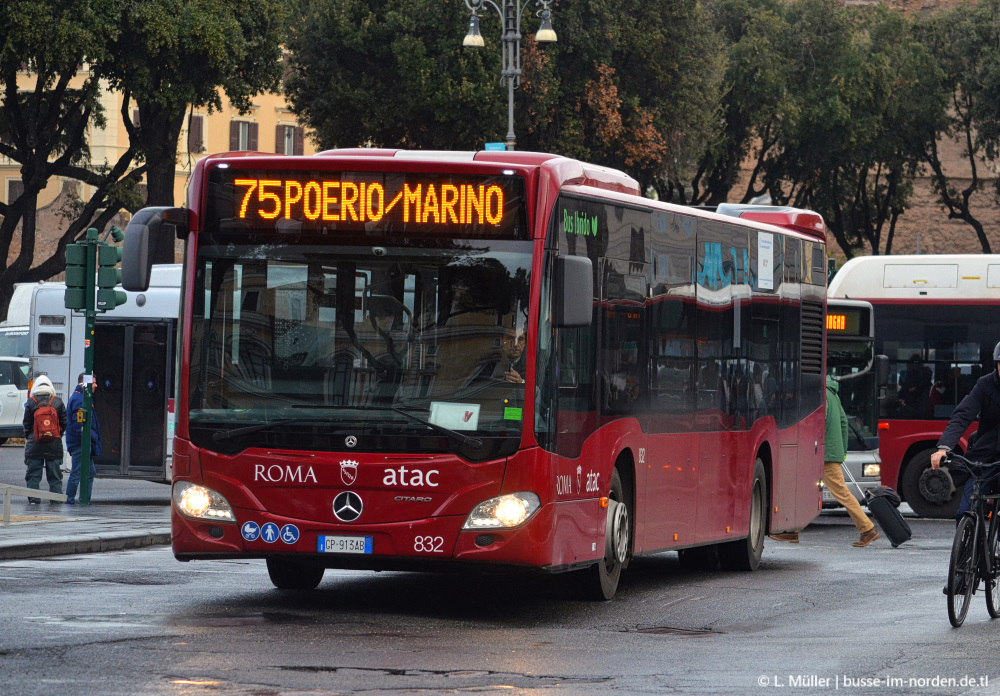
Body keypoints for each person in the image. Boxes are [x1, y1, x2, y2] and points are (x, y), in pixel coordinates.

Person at [771, 376, 880, 546]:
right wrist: (841, 451)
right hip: (830, 451)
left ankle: (867, 529)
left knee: (839, 492)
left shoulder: (820, 395)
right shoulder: (833, 394)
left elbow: (818, 423)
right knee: (802, 490)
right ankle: (792, 531)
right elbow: (844, 423)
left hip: (822, 452)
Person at [930, 341, 1000, 520]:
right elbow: (962, 415)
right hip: (985, 454)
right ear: (996, 365)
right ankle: (967, 543)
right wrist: (944, 447)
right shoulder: (985, 384)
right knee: (965, 510)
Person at [22, 375, 67, 505]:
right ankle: (56, 499)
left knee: (33, 475)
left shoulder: (31, 402)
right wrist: (56, 435)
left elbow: (26, 424)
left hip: (35, 444)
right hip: (53, 445)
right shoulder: (57, 402)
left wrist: (31, 437)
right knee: (55, 475)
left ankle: (34, 500)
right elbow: (64, 422)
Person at [65, 373, 103, 505]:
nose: (96, 385)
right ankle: (71, 500)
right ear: (84, 384)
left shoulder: (81, 397)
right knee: (76, 472)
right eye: (93, 382)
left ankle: (85, 498)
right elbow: (79, 424)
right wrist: (91, 437)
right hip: (80, 444)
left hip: (81, 443)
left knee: (90, 471)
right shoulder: (80, 400)